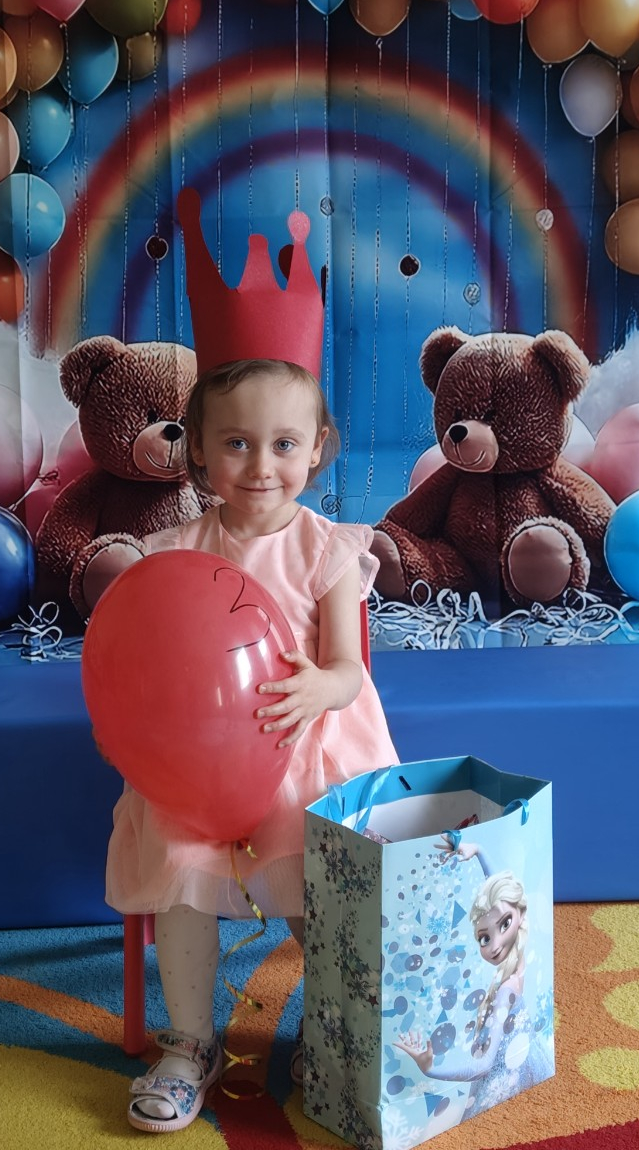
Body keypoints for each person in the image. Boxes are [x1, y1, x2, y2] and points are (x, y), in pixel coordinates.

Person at [105, 187, 400, 1135]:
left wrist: (320, 684)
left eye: (282, 444)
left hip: (303, 751)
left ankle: (332, 1025)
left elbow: (348, 670)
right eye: (235, 443)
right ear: (197, 449)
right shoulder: (174, 551)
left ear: (317, 450)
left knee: (319, 877)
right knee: (180, 868)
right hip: (197, 767)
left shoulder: (329, 551)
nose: (260, 465)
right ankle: (189, 1041)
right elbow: (147, 656)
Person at [394, 840, 551, 1122]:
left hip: (505, 1080)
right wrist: (479, 850)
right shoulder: (517, 959)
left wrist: (430, 1069)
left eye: (504, 925)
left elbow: (483, 1066)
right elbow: (502, 902)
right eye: (484, 938)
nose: (495, 944)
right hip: (525, 1059)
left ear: (520, 916)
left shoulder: (505, 992)